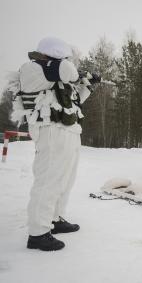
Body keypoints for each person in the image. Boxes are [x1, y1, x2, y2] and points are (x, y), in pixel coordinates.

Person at [10, 37, 100, 251]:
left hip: (68, 130)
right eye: (67, 56)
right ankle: (38, 232)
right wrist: (81, 74)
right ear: (53, 54)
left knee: (65, 179)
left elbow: (74, 100)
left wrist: (89, 84)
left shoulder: (55, 74)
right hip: (50, 131)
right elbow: (67, 70)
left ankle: (54, 218)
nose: (71, 61)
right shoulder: (33, 69)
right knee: (49, 180)